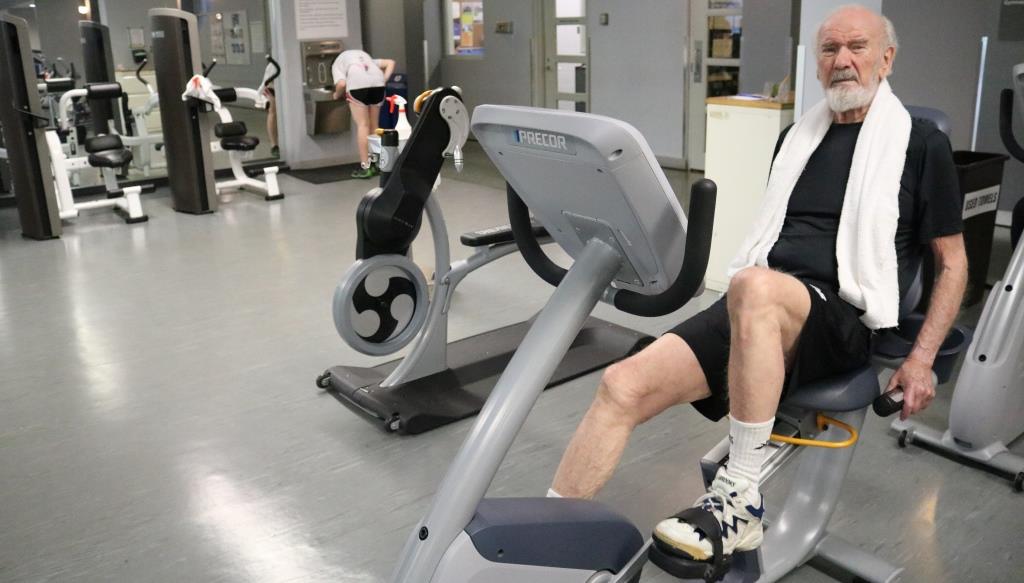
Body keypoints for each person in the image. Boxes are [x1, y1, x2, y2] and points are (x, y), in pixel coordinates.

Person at [547, 3, 968, 567]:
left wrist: (921, 358)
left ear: (886, 58)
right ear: (817, 65)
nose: (842, 61)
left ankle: (738, 495)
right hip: (761, 304)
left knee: (753, 286)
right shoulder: (797, 138)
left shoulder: (919, 144)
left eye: (857, 47)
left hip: (843, 317)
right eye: (829, 50)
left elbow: (954, 261)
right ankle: (550, 540)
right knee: (621, 386)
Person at [331, 49, 396, 179]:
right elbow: (391, 62)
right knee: (374, 125)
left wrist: (336, 95)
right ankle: (378, 164)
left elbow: (342, 83)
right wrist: (384, 79)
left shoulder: (337, 64)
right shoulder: (364, 57)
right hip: (378, 84)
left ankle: (366, 167)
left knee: (363, 125)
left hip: (357, 85)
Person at [261, 60, 279, 158]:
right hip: (272, 89)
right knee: (273, 111)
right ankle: (274, 145)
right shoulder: (272, 66)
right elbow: (266, 83)